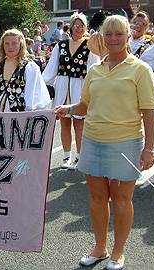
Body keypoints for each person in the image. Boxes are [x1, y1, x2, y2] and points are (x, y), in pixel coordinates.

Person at [55, 15, 154, 270]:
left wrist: (148, 149)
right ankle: (100, 248)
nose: (113, 39)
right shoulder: (95, 70)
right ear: (100, 38)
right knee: (97, 198)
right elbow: (86, 105)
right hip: (93, 141)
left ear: (127, 37)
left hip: (126, 143)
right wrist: (67, 109)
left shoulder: (140, 69)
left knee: (122, 200)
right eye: (108, 34)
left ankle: (118, 252)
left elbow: (149, 113)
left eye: (119, 34)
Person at [43, 12, 100, 169]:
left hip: (79, 87)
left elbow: (93, 69)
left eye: (82, 25)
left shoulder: (90, 46)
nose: (78, 28)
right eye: (76, 25)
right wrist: (41, 85)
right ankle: (66, 157)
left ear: (85, 28)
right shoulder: (60, 46)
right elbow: (51, 69)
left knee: (79, 125)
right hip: (62, 87)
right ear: (71, 27)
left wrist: (92, 90)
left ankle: (80, 157)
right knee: (65, 123)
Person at [0, 29, 51, 112]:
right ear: (2, 45)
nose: (10, 47)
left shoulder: (29, 67)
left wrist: (30, 112)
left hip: (20, 113)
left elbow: (33, 93)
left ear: (21, 45)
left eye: (14, 43)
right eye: (7, 43)